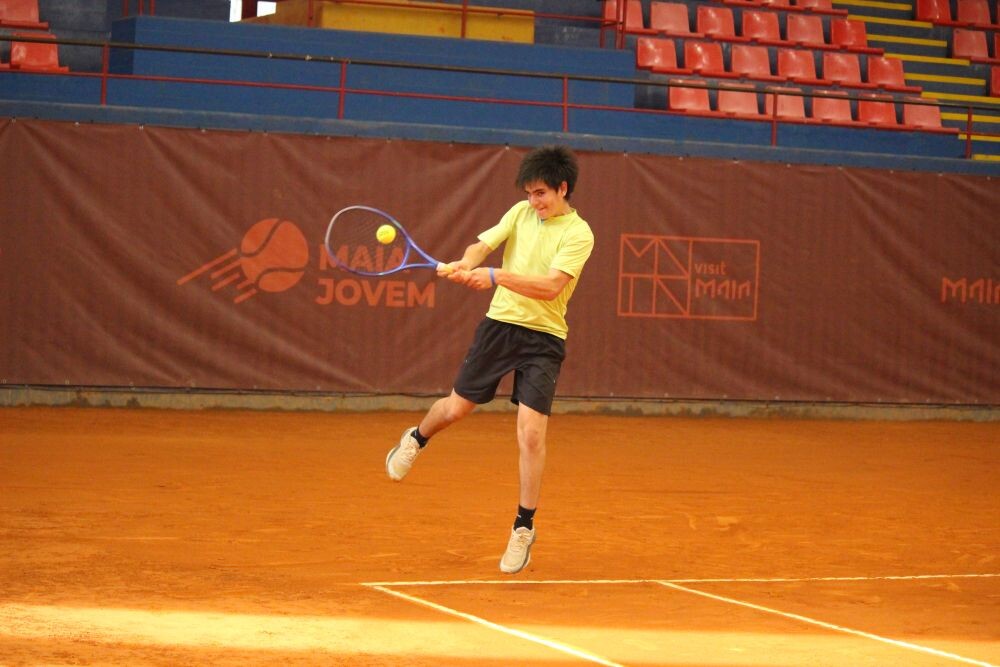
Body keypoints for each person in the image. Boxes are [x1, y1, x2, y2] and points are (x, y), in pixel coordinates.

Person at [384, 145, 595, 574]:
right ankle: (416, 438)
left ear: (562, 188)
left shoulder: (580, 234)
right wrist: (466, 262)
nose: (533, 202)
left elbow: (550, 287)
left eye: (541, 194)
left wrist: (496, 275)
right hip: (500, 326)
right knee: (456, 408)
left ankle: (523, 526)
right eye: (529, 194)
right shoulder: (519, 213)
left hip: (544, 338)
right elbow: (482, 246)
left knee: (531, 434)